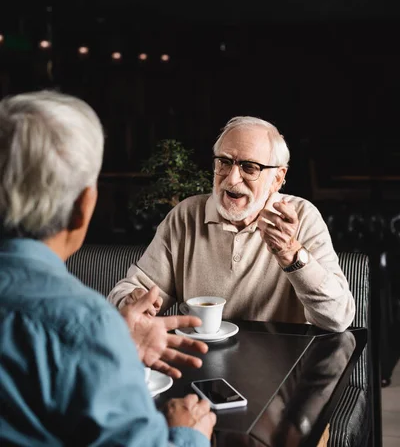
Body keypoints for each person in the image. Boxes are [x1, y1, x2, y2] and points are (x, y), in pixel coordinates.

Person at [0, 90, 216, 447]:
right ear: (83, 207)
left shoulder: (88, 329)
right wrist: (188, 434)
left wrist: (114, 351)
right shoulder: (83, 323)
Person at [108, 116, 355, 332]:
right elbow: (133, 289)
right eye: (224, 162)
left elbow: (337, 318)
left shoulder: (303, 217)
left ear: (277, 178)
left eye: (249, 167)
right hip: (199, 361)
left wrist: (291, 254)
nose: (232, 178)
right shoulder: (186, 215)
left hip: (280, 368)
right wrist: (129, 301)